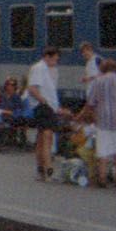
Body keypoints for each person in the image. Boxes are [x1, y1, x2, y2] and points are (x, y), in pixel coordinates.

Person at [82, 58, 116, 188]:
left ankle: (102, 178)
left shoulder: (99, 81)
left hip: (105, 119)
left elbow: (90, 103)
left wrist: (82, 116)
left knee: (104, 148)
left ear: (103, 69)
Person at [25, 46, 66, 180]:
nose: (56, 62)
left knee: (42, 138)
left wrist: (56, 106)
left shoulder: (51, 70)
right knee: (47, 135)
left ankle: (41, 168)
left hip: (50, 106)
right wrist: (41, 100)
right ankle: (48, 166)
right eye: (54, 59)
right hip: (43, 106)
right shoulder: (39, 68)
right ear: (47, 56)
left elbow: (51, 91)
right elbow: (32, 87)